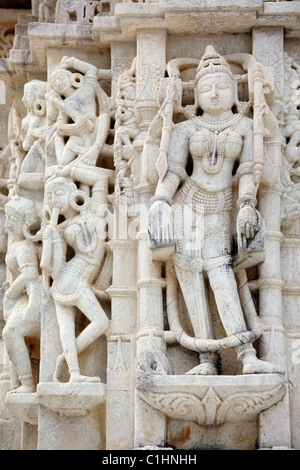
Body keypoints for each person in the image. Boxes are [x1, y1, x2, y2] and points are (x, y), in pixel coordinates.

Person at [148, 45, 281, 375]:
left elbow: (250, 172)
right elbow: (174, 173)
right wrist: (160, 201)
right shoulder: (183, 129)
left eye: (222, 86)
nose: (215, 93)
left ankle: (246, 354)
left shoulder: (247, 127)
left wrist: (248, 203)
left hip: (221, 208)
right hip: (186, 206)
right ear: (196, 95)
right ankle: (206, 358)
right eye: (206, 88)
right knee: (191, 279)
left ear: (235, 90)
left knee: (221, 274)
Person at [41, 169, 110, 383]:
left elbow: (100, 179)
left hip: (76, 277)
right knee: (98, 323)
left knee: (73, 328)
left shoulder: (93, 212)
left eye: (58, 193)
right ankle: (71, 368)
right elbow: (56, 267)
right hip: (73, 277)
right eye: (50, 196)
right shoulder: (59, 229)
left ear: (73, 193)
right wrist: (50, 239)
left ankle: (68, 363)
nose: (54, 200)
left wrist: (67, 170)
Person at [2, 197, 41, 392]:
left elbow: (30, 274)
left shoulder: (25, 247)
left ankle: (26, 384)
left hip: (35, 299)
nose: (7, 226)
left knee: (10, 333)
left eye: (12, 219)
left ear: (25, 222)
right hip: (24, 299)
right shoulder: (18, 246)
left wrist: (10, 292)